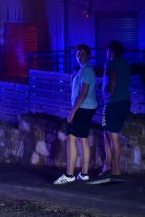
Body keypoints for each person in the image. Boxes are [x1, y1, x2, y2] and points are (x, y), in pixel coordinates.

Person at [53, 44, 97, 185]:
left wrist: (73, 112)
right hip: (86, 108)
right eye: (77, 54)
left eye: (82, 54)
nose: (79, 56)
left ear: (88, 56)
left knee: (71, 138)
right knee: (83, 139)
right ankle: (84, 174)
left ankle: (69, 174)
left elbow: (83, 93)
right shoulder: (83, 70)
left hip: (83, 108)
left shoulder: (87, 71)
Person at [100, 40, 130, 177]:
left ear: (111, 52)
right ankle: (108, 164)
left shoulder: (110, 64)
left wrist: (108, 94)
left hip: (113, 103)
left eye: (107, 50)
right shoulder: (126, 64)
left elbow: (112, 78)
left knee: (112, 136)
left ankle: (116, 170)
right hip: (125, 102)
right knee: (107, 133)